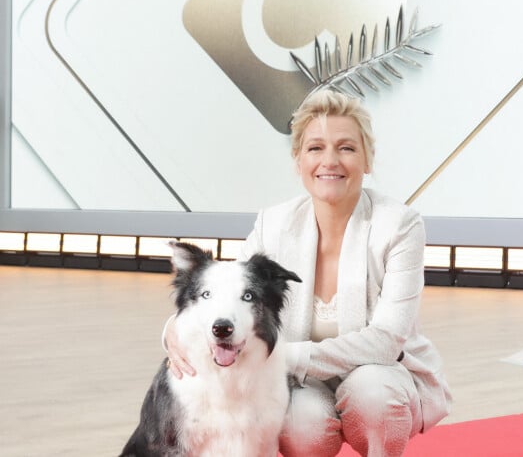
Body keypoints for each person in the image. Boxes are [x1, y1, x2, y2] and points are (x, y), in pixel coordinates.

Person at [164, 89, 452, 456]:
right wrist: (173, 328)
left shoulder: (399, 225)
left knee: (373, 394)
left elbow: (387, 339)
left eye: (346, 147)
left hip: (380, 374)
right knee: (298, 421)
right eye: (315, 148)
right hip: (303, 384)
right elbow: (227, 294)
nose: (330, 161)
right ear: (298, 160)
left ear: (368, 159)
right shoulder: (274, 223)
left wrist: (285, 355)